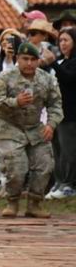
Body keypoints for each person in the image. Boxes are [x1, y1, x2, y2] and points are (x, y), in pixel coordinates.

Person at [0, 43, 63, 218]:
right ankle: (12, 201)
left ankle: (34, 204)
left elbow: (56, 105)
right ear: (17, 59)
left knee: (45, 164)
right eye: (25, 59)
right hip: (10, 128)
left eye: (33, 60)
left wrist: (51, 125)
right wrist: (16, 102)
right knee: (16, 168)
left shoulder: (46, 79)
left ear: (38, 61)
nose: (29, 63)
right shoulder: (5, 77)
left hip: (34, 127)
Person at [50, 28, 76, 198]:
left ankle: (69, 184)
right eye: (60, 40)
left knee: (69, 150)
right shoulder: (60, 61)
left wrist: (52, 63)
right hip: (56, 112)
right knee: (57, 149)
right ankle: (59, 182)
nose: (63, 44)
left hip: (71, 113)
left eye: (66, 40)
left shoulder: (73, 62)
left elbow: (68, 78)